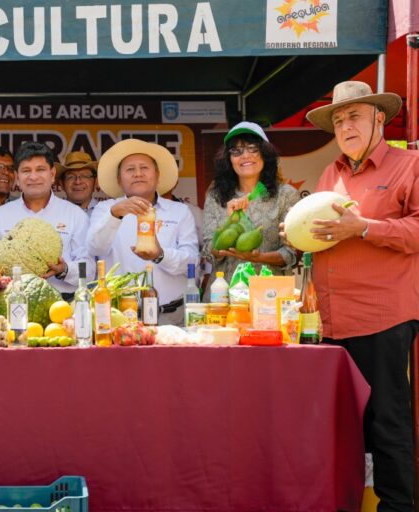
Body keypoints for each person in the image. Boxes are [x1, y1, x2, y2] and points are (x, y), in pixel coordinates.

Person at [301, 81, 419, 512]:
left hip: (382, 317)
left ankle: (396, 507)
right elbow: (324, 235)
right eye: (338, 119)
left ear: (379, 120)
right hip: (331, 321)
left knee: (387, 424)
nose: (345, 125)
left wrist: (365, 227)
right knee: (343, 429)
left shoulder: (410, 165)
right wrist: (298, 235)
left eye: (354, 116)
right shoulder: (331, 174)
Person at [87, 139, 198, 326]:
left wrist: (160, 255)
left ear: (157, 175)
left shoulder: (179, 211)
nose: (138, 174)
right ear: (119, 180)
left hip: (171, 316)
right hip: (121, 316)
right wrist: (116, 214)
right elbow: (94, 248)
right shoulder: (106, 209)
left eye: (144, 168)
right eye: (130, 169)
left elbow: (192, 263)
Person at [0, 142, 93, 300]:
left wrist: (64, 269)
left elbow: (89, 270)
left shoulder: (76, 215)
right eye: (26, 170)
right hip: (10, 302)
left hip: (63, 306)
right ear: (17, 177)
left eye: (40, 169)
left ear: (52, 174)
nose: (33, 177)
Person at [201, 122, 300, 300]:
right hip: (224, 296)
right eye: (236, 151)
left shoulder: (286, 195)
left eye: (253, 148)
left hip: (270, 296)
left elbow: (291, 254)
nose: (245, 155)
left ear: (265, 154)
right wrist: (228, 225)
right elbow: (208, 251)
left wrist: (259, 257)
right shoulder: (216, 197)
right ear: (228, 159)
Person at [56, 151, 99, 215]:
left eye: (85, 176)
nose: (78, 182)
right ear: (62, 184)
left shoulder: (107, 213)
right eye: (71, 177)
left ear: (95, 182)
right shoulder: (53, 213)